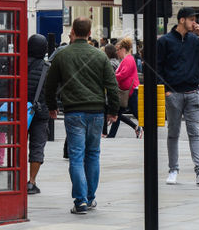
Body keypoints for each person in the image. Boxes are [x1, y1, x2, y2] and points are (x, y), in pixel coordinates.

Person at [43, 17, 119, 214]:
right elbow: (112, 86)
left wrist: (52, 106)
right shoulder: (100, 56)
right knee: (93, 155)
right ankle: (91, 198)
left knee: (76, 156)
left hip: (73, 111)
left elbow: (50, 85)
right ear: (89, 33)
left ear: (73, 32)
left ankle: (80, 201)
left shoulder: (62, 55)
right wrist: (113, 111)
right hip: (96, 112)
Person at [157, 7, 199, 186]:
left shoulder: (195, 39)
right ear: (182, 20)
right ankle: (173, 169)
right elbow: (157, 68)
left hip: (193, 93)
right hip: (173, 93)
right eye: (192, 19)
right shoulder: (165, 41)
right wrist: (166, 90)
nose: (195, 23)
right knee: (173, 133)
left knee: (195, 134)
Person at [105, 37, 142, 140]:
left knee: (136, 113)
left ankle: (148, 127)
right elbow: (119, 73)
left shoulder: (128, 59)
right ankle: (111, 135)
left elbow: (122, 74)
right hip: (126, 92)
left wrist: (112, 76)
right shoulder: (126, 59)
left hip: (129, 92)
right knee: (118, 113)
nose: (117, 52)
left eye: (118, 50)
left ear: (123, 49)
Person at [27, 33, 50, 194]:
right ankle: (32, 181)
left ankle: (14, 179)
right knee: (37, 146)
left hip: (18, 111)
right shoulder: (47, 68)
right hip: (40, 113)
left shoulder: (17, 64)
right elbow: (52, 91)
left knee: (17, 145)